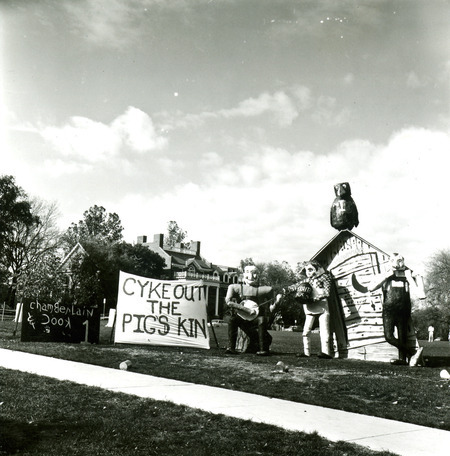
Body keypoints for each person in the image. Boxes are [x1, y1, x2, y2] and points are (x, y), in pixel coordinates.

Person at [277, 260, 333, 358]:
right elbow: (295, 286)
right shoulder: (307, 281)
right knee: (306, 331)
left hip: (322, 307)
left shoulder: (325, 278)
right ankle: (307, 352)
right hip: (309, 308)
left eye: (311, 270)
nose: (309, 273)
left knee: (324, 331)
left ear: (317, 269)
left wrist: (314, 299)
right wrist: (284, 290)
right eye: (307, 270)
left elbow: (327, 293)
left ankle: (326, 352)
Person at [225, 264, 275, 356]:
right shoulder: (235, 287)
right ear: (243, 274)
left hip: (255, 319)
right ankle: (231, 347)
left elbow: (272, 306)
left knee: (262, 320)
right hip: (242, 317)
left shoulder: (265, 290)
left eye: (254, 273)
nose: (251, 276)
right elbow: (228, 302)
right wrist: (246, 310)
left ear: (258, 275)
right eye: (248, 272)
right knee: (232, 320)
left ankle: (263, 349)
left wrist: (278, 301)